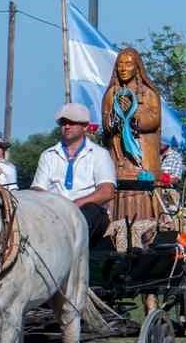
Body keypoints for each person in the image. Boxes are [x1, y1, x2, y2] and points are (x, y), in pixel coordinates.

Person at [31, 103, 116, 243]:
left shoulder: (99, 154)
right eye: (63, 123)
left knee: (91, 212)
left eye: (72, 122)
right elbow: (38, 188)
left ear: (85, 126)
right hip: (53, 212)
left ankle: (65, 248)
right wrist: (53, 204)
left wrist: (77, 204)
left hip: (87, 212)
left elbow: (107, 191)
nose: (67, 126)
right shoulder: (48, 155)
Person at [101, 47, 162, 221]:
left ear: (137, 67)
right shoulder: (111, 94)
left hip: (141, 158)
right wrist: (115, 117)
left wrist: (133, 116)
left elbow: (154, 120)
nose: (123, 68)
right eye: (120, 64)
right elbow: (106, 123)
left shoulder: (148, 93)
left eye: (128, 64)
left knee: (141, 194)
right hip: (119, 159)